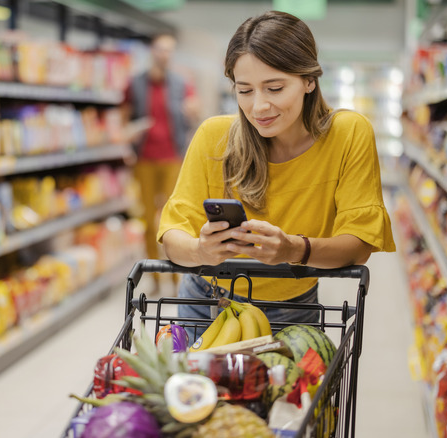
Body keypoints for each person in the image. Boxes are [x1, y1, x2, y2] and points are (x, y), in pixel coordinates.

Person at [156, 11, 396, 342]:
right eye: (245, 90)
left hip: (292, 310)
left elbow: (359, 245)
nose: (259, 107)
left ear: (309, 80)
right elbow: (172, 235)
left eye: (274, 88)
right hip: (205, 303)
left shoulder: (348, 134)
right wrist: (201, 252)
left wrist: (292, 249)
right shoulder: (214, 137)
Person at [124, 32, 200, 293]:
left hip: (172, 159)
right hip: (144, 158)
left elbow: (194, 111)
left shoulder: (181, 83)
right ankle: (154, 277)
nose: (164, 55)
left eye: (169, 50)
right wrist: (127, 136)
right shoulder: (135, 83)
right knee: (147, 219)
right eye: (160, 49)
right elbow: (124, 116)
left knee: (174, 221)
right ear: (152, 52)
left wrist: (192, 111)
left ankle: (177, 277)